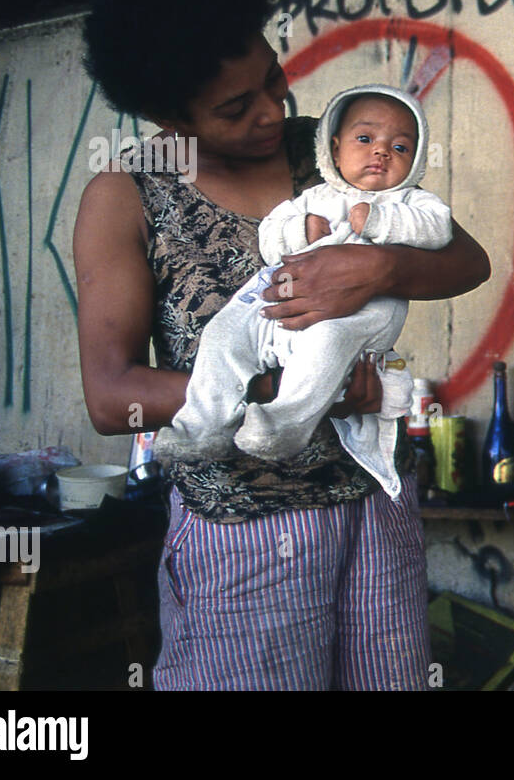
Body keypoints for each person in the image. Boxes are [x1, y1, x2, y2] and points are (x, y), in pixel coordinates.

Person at [74, 0, 490, 690]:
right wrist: (294, 394)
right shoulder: (127, 194)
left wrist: (383, 267)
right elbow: (112, 393)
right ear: (167, 112)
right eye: (236, 108)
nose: (272, 112)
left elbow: (469, 261)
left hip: (373, 498)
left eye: (272, 79)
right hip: (247, 525)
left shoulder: (330, 154)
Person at [155, 85, 450, 500]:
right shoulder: (314, 197)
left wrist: (382, 222)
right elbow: (270, 236)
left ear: (415, 162)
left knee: (327, 345)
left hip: (360, 316)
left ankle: (284, 424)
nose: (381, 153)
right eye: (365, 139)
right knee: (223, 333)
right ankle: (201, 426)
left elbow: (440, 229)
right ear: (334, 147)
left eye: (400, 147)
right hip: (281, 304)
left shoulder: (409, 201)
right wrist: (300, 231)